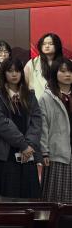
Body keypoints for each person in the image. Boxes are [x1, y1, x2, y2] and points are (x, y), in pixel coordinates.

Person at [0, 58, 42, 201]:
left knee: (27, 198)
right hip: (5, 152)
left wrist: (29, 145)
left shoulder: (30, 95)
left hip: (27, 153)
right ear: (3, 73)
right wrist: (23, 145)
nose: (14, 74)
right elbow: (1, 123)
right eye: (10, 71)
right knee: (6, 199)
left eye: (17, 71)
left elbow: (36, 121)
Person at [40, 57, 72, 203]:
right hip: (57, 152)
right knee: (56, 199)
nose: (68, 74)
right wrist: (44, 151)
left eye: (70, 71)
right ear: (54, 73)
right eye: (63, 71)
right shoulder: (47, 98)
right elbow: (43, 126)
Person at [25, 33, 65, 100]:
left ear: (57, 45)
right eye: (44, 44)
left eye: (50, 44)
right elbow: (24, 84)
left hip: (61, 101)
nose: (47, 46)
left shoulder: (65, 63)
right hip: (38, 102)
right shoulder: (32, 63)